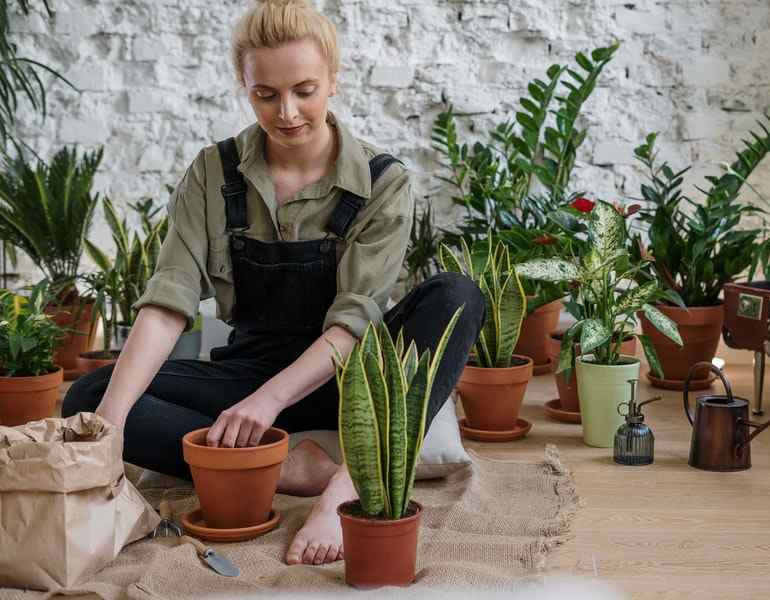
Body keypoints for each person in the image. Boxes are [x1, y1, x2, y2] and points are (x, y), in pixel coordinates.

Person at [62, 0, 483, 567]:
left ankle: (348, 486)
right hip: (248, 371)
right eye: (266, 94)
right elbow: (167, 305)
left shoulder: (383, 183)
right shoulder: (214, 173)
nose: (287, 112)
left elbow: (355, 322)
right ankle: (290, 467)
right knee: (90, 397)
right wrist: (105, 438)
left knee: (459, 295)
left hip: (350, 381)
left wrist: (267, 403)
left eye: (304, 90)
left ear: (334, 79)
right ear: (244, 84)